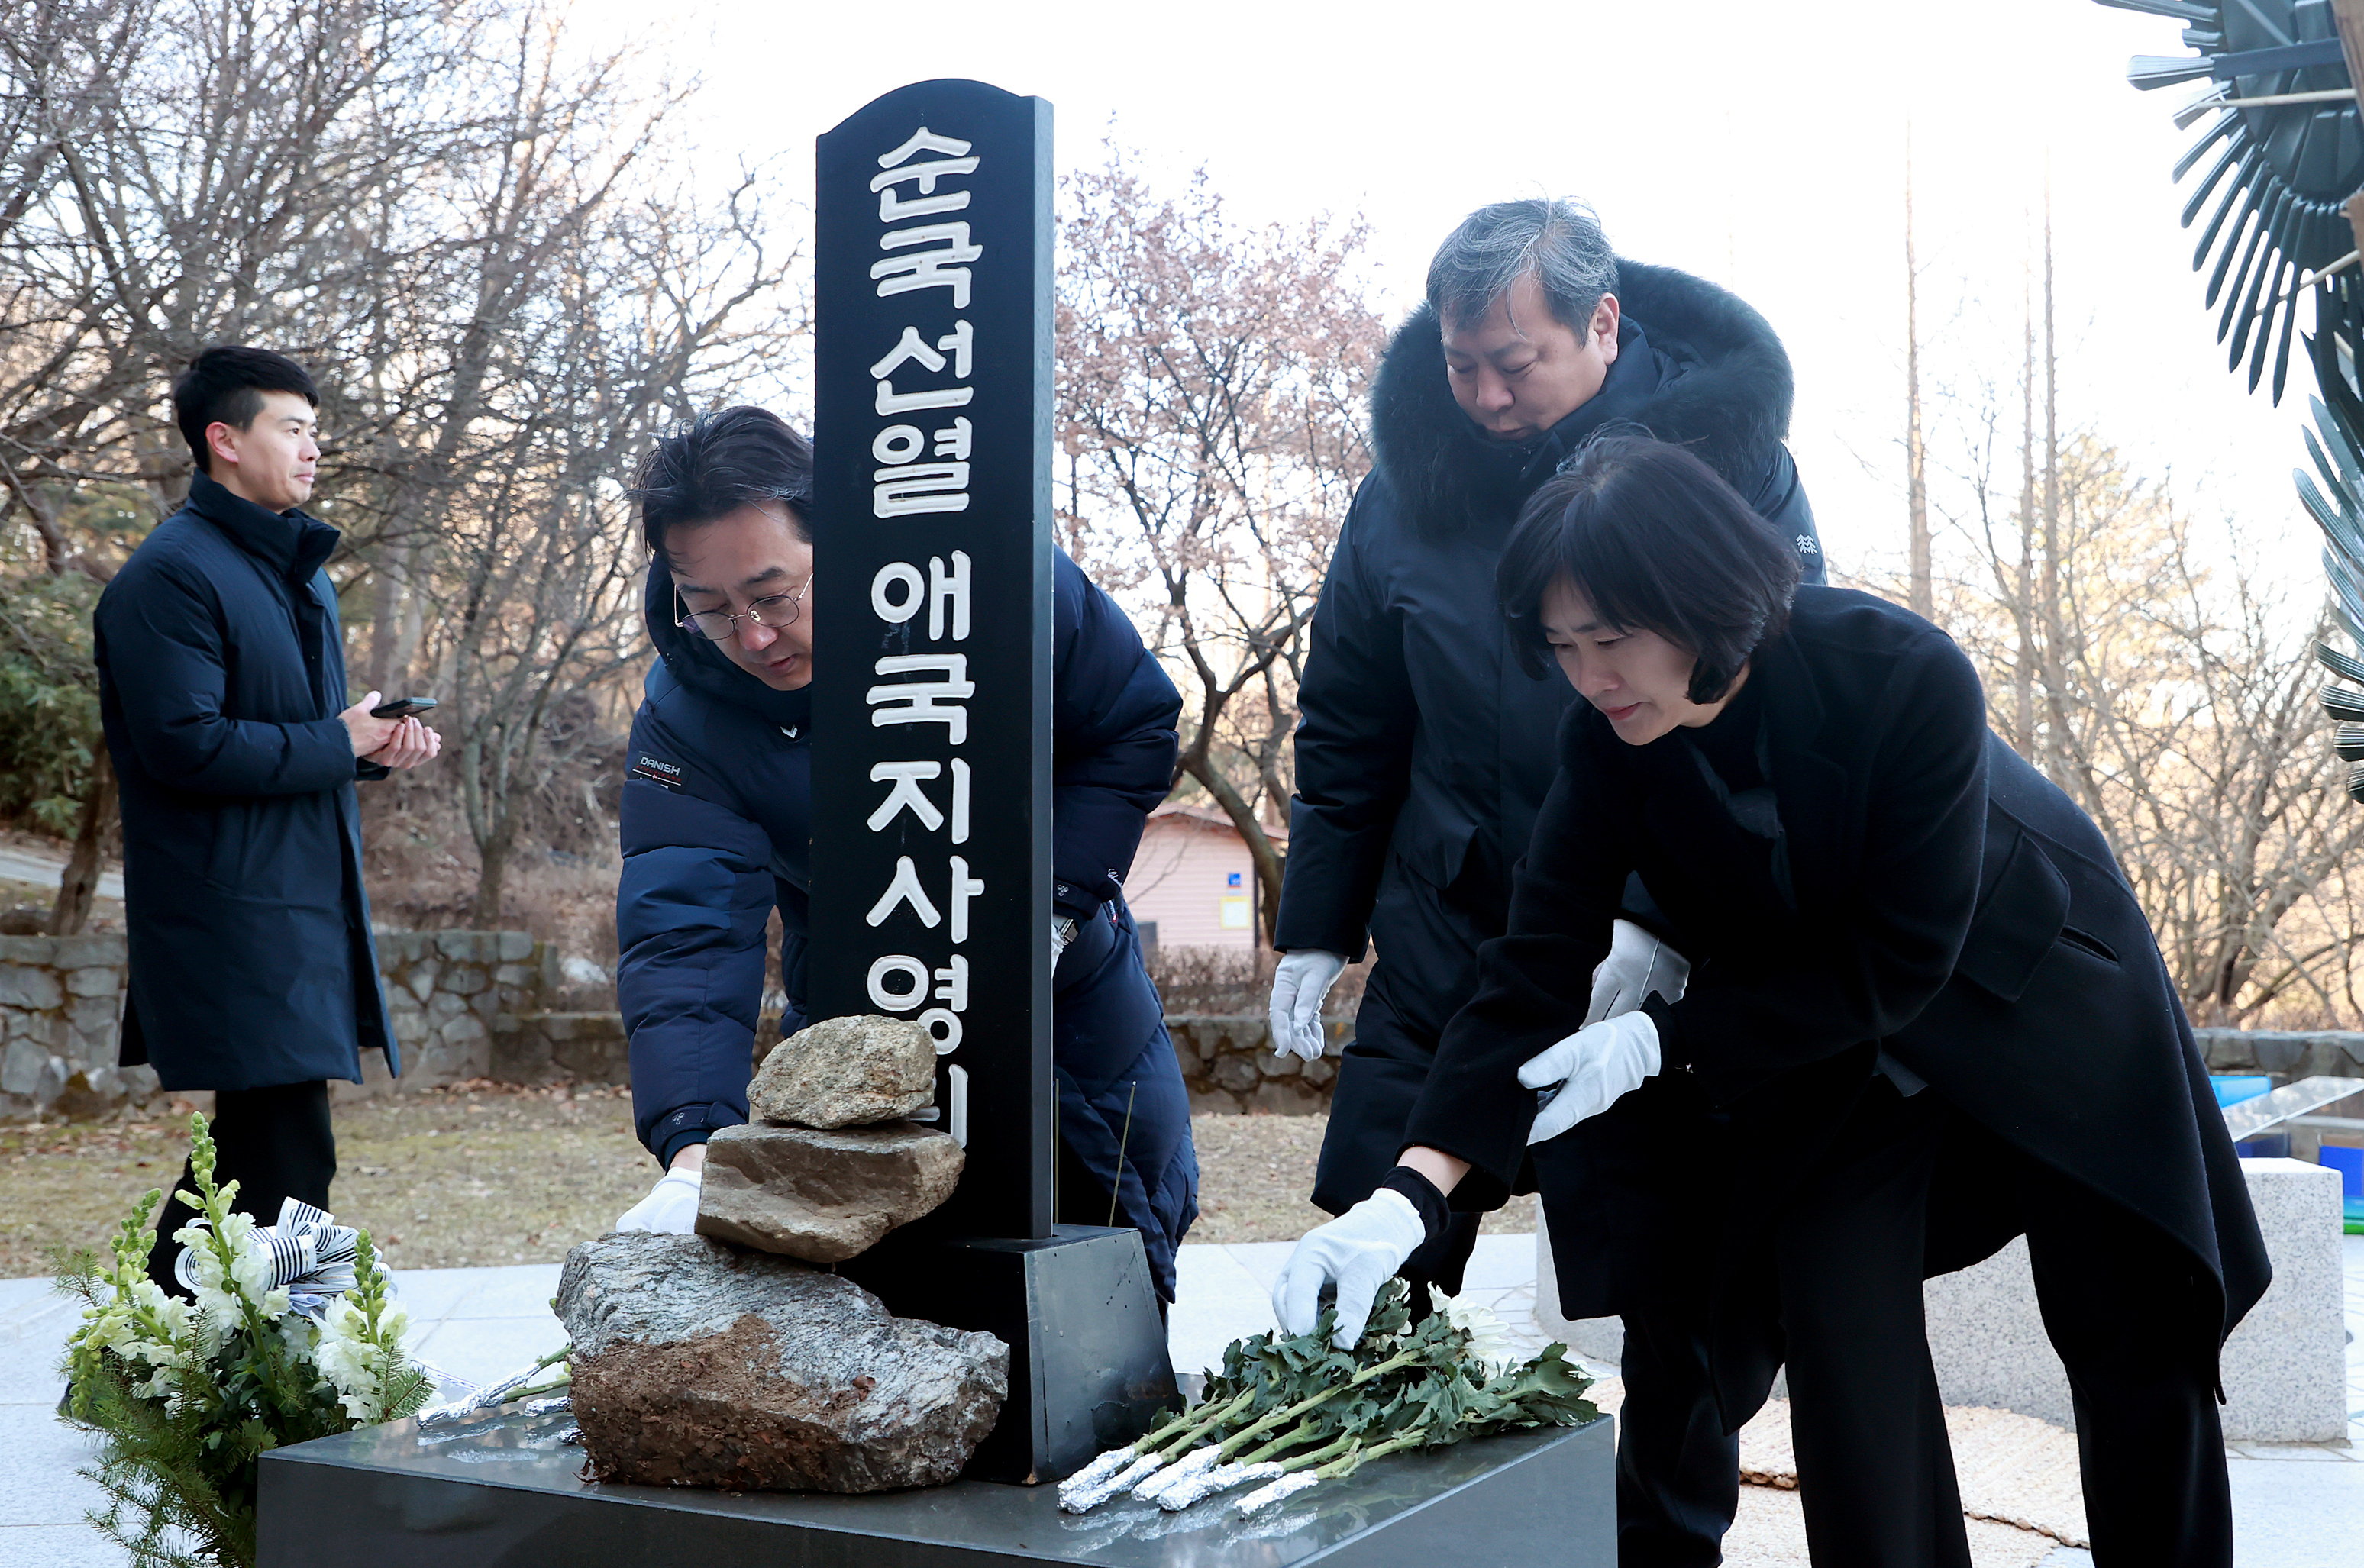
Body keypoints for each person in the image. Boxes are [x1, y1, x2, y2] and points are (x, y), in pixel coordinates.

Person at [1274, 435, 2269, 1566]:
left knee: (2133, 1330)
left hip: (2038, 1001)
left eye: (1610, 640)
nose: (1589, 676)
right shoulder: (1606, 742)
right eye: (1560, 647)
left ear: (1698, 603)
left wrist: (1664, 1038)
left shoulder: (1904, 673)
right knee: (1844, 1337)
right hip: (1835, 1043)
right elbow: (1530, 965)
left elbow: (1901, 956)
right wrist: (1412, 1192)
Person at [1268, 198, 1826, 1555]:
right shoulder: (1403, 492)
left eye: (1516, 360)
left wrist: (1654, 913)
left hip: (1653, 963)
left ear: (1604, 323)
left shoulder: (1728, 465)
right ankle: (1364, 1519)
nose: (1485, 392)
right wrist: (1316, 921)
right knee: (1372, 1238)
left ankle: (1659, 1546)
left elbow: (1778, 706)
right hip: (1453, 919)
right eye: (1461, 362)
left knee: (1674, 1301)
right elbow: (1349, 715)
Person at [609, 406, 1200, 1300]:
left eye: (775, 594)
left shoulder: (991, 572)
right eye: (711, 609)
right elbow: (684, 929)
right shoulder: (686, 715)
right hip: (856, 1012)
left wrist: (1050, 908)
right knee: (882, 1305)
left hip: (1066, 1003)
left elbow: (1131, 723)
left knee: (1104, 1286)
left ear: (838, 537)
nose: (754, 637)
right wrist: (696, 1147)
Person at [94, 346, 441, 1291]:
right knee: (283, 1157)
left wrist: (371, 746)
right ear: (224, 440)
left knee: (269, 1154)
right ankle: (173, 1366)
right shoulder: (169, 576)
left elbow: (303, 740)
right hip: (231, 907)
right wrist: (340, 740)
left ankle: (159, 1362)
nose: (312, 447)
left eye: (315, 431)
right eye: (291, 427)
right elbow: (187, 746)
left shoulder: (301, 574)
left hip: (301, 900)